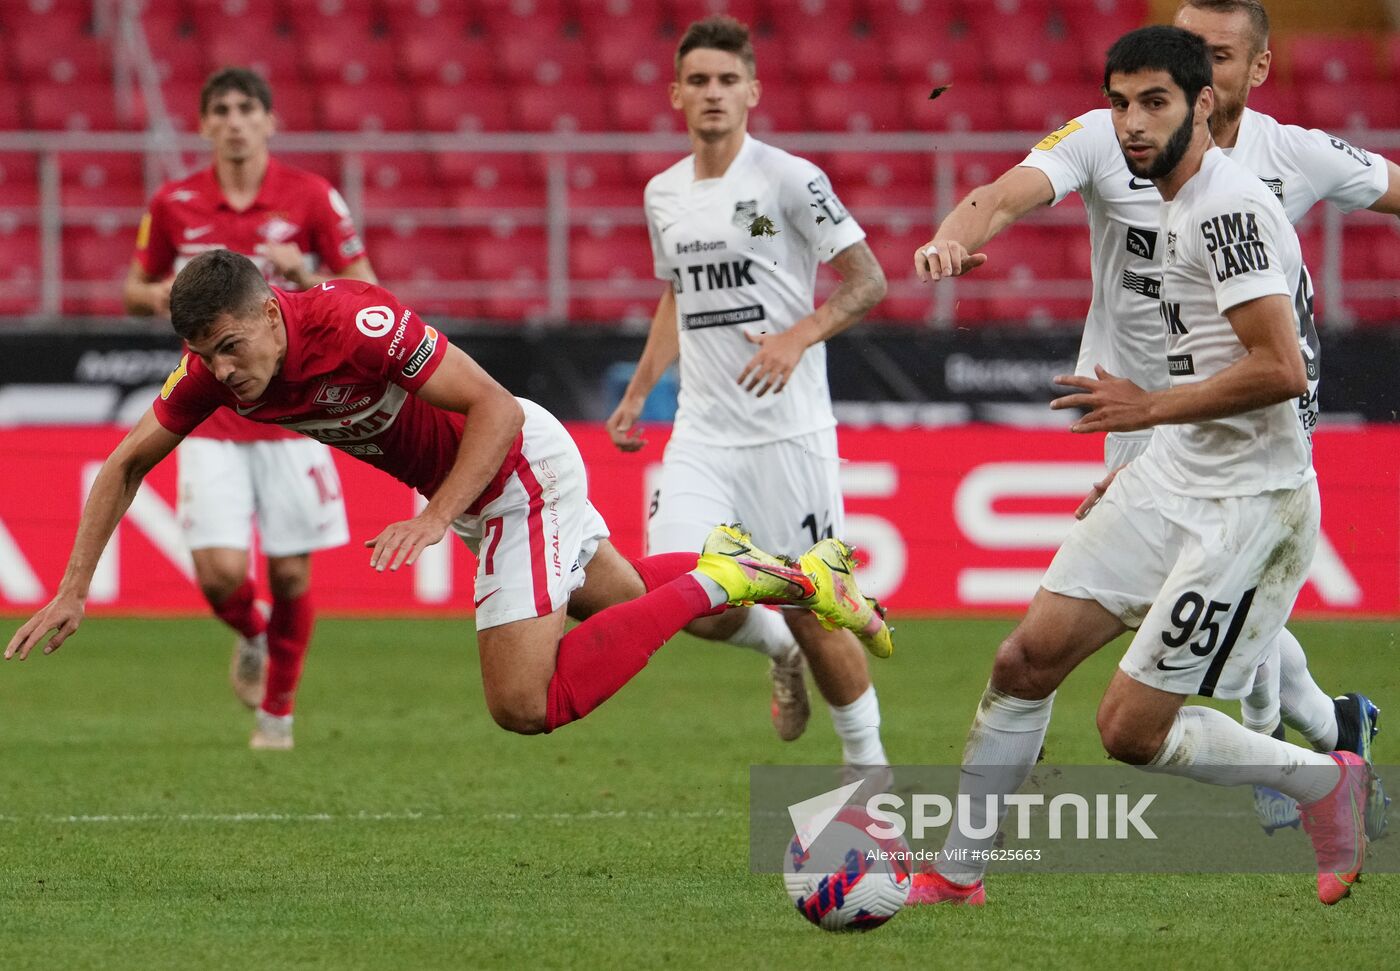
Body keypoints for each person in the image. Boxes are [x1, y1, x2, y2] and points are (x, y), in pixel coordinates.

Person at [7, 250, 889, 749]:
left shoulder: (357, 322)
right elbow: (125, 463)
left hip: (513, 470)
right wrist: (74, 586)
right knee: (647, 608)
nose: (226, 372)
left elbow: (494, 408)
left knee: (523, 701)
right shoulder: (216, 372)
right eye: (210, 356)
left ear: (273, 315)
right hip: (477, 490)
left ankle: (734, 576)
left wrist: (436, 515)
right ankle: (777, 591)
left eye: (234, 346)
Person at [913, 0, 1395, 844]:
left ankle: (1302, 761)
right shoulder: (1122, 143)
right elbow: (999, 194)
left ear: (1244, 75)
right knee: (1048, 655)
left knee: (1193, 658)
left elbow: (1282, 356)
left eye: (1210, 56)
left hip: (1234, 433)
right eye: (1131, 92)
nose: (1186, 69)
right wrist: (955, 233)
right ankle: (1325, 737)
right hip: (1141, 421)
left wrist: (1160, 410)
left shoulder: (1277, 167)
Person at [604, 15, 894, 776]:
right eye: (698, 80)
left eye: (727, 80)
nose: (713, 93)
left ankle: (873, 778)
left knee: (815, 612)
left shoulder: (790, 179)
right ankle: (773, 646)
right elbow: (677, 296)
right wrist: (640, 392)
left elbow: (868, 280)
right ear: (675, 94)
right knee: (663, 585)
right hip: (701, 435)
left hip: (787, 435)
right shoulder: (662, 192)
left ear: (753, 91)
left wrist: (798, 336)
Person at [123, 67, 378, 749]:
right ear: (204, 124)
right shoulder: (174, 201)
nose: (234, 120)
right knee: (219, 574)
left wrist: (300, 272)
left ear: (270, 121)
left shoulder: (312, 196)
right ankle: (254, 633)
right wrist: (171, 297)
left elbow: (367, 286)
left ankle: (278, 712)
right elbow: (134, 286)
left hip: (294, 409)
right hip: (212, 410)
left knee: (293, 570)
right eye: (221, 110)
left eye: (247, 109)